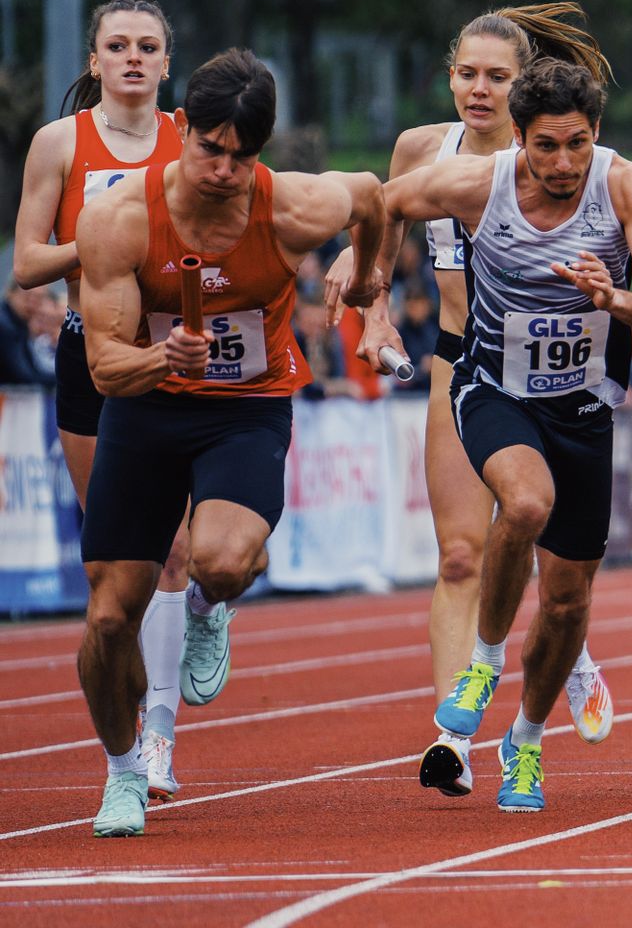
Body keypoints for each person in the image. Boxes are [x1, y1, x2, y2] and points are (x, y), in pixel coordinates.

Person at [73, 49, 386, 837]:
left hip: (247, 407)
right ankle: (123, 773)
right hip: (146, 409)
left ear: (262, 153)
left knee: (217, 558)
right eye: (209, 148)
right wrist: (159, 356)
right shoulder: (117, 218)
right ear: (180, 131)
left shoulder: (291, 208)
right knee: (111, 619)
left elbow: (373, 198)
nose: (222, 169)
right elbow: (106, 369)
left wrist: (369, 274)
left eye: (241, 158)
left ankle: (212, 604)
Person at [375, 57, 632, 812]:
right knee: (523, 503)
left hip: (581, 406)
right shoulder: (478, 185)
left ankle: (527, 741)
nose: (563, 164)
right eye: (546, 146)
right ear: (518, 139)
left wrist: (616, 299)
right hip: (492, 388)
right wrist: (369, 296)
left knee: (569, 602)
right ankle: (482, 664)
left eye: (577, 143)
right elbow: (381, 203)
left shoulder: (625, 185)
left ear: (597, 134)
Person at [328, 5, 619, 761]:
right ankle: (452, 740)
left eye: (498, 77)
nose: (479, 90)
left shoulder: (563, 158)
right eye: (467, 74)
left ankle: (570, 646)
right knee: (460, 555)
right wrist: (372, 301)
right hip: (462, 362)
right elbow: (382, 225)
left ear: (524, 89)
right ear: (449, 74)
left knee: (540, 543)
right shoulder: (422, 147)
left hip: (554, 376)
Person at [12, 0, 196, 803]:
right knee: (109, 575)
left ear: (165, 62)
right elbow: (24, 263)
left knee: (177, 553)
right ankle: (120, 739)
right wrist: (100, 243)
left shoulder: (189, 141)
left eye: (146, 46)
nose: (131, 57)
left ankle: (159, 733)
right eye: (116, 45)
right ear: (93, 62)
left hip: (175, 356)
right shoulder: (60, 143)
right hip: (92, 355)